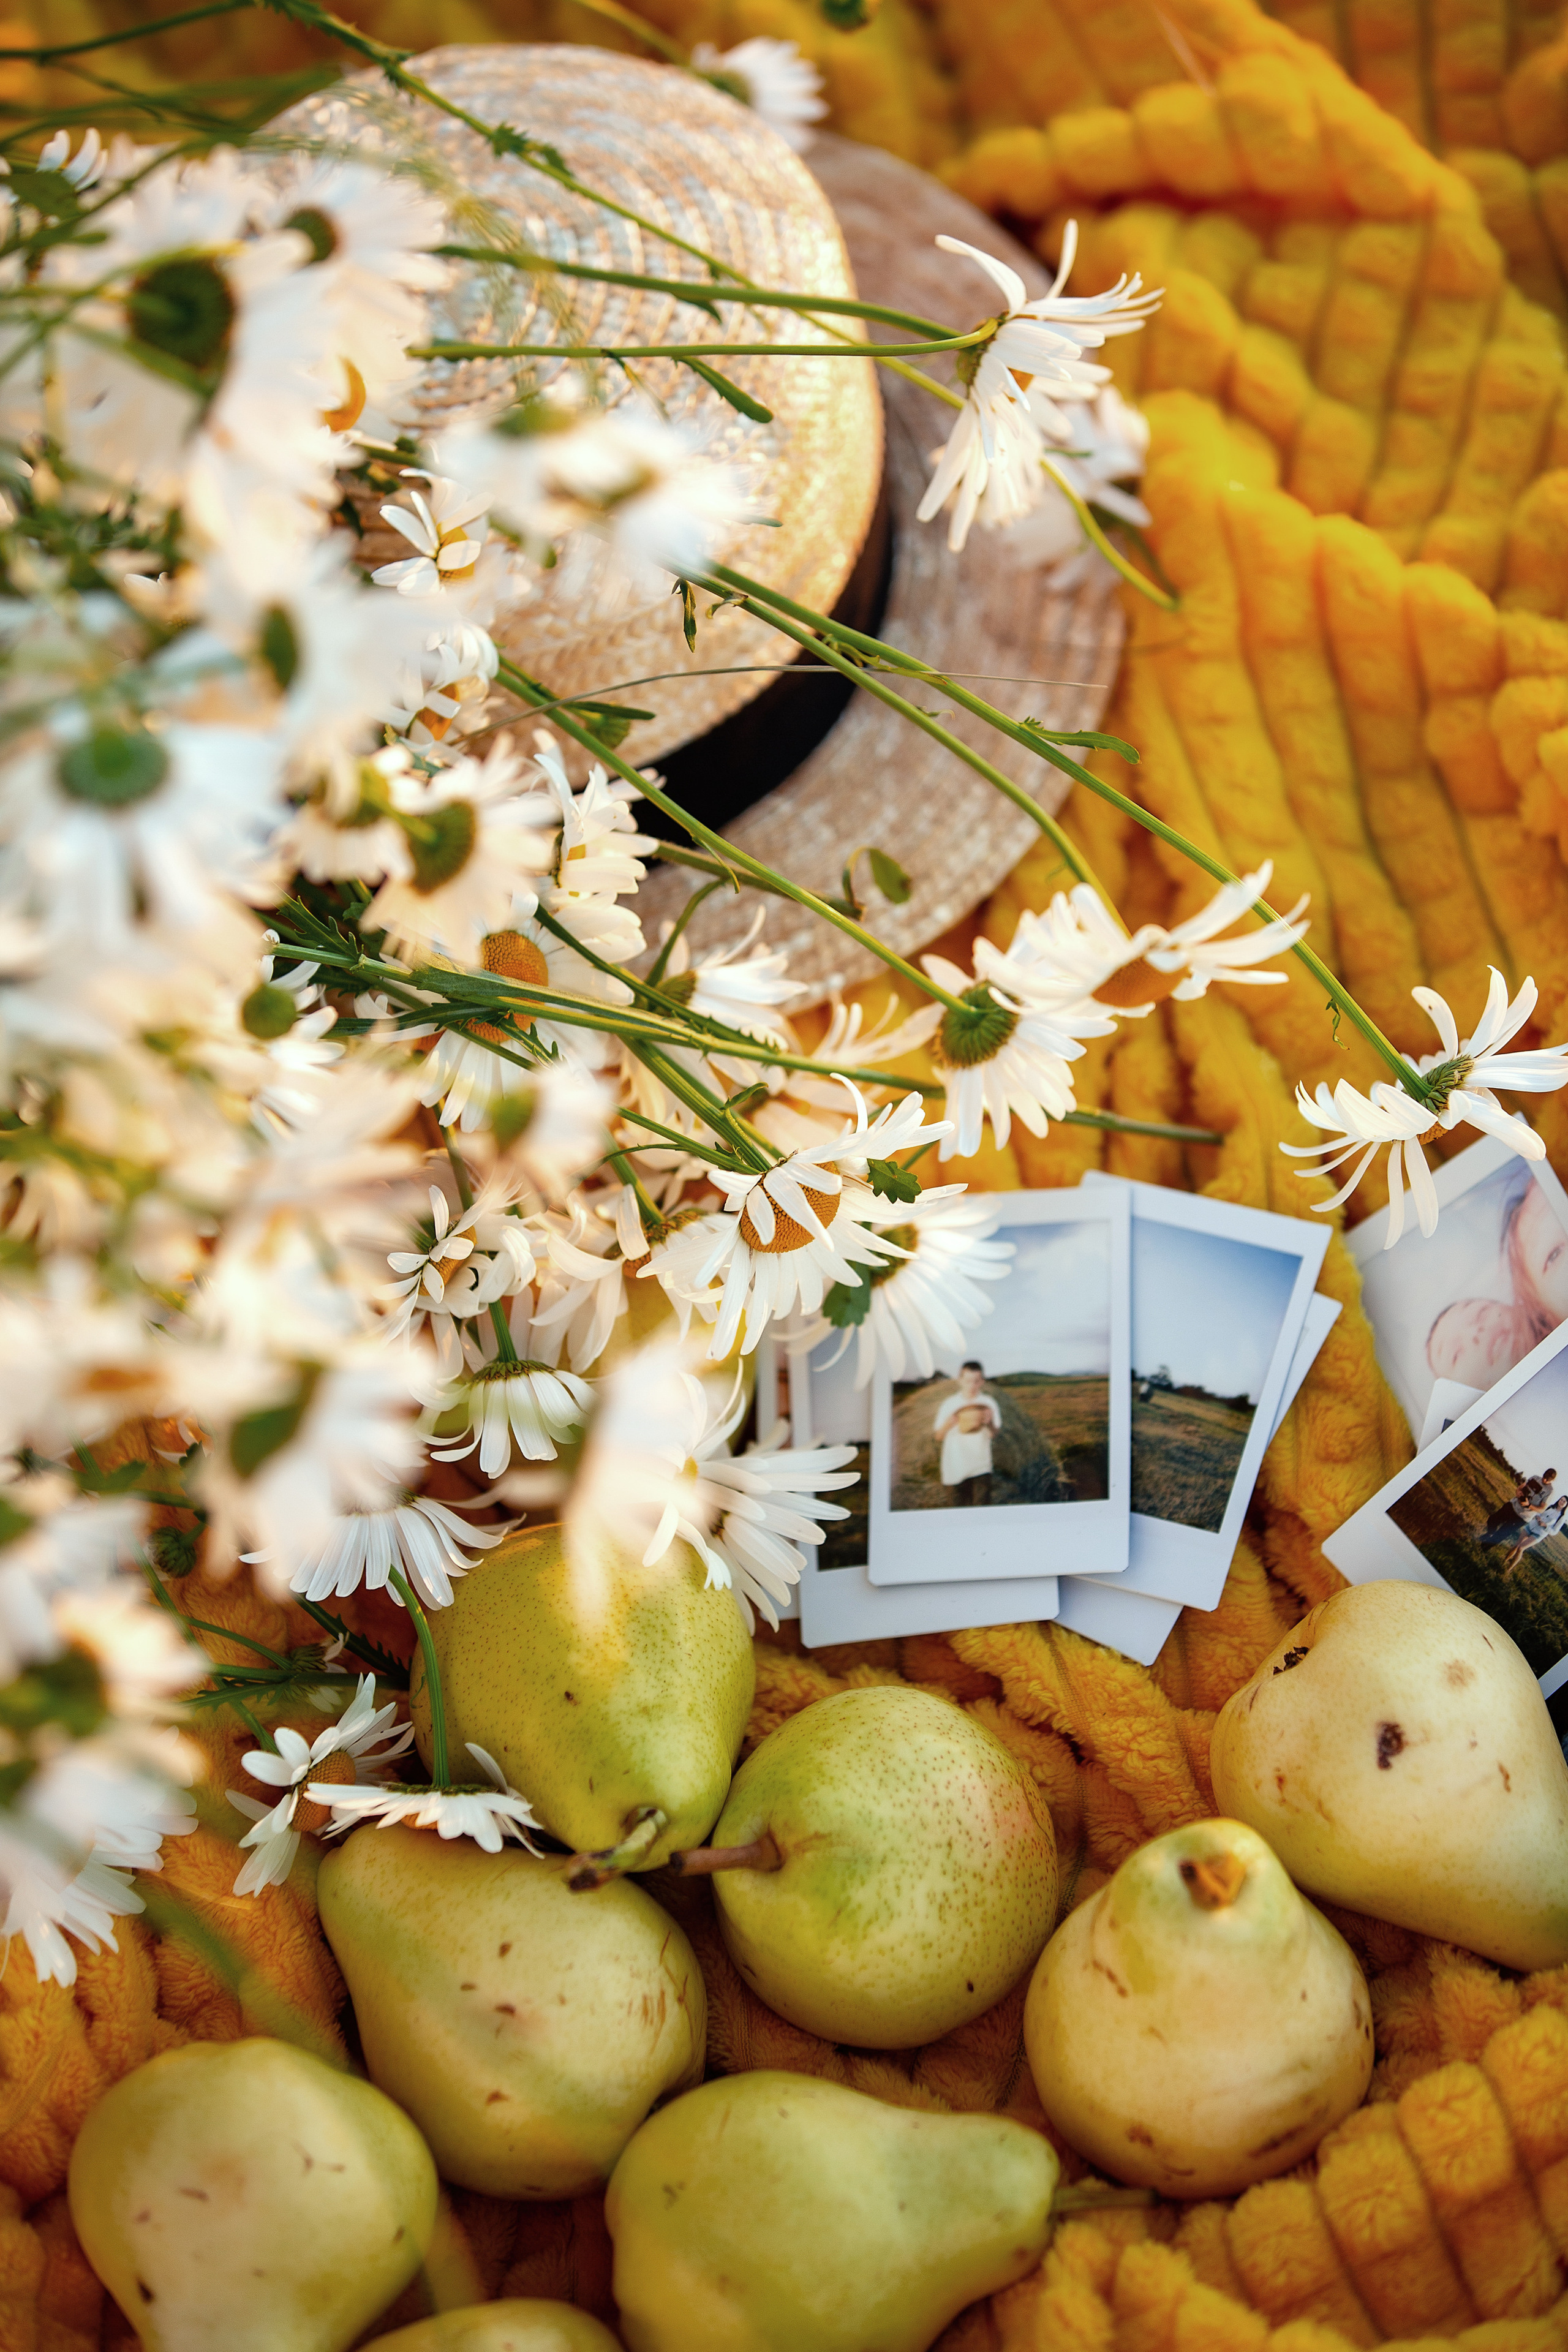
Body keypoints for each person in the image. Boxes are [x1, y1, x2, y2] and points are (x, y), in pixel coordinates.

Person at [935, 1361, 1001, 1508]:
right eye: (968, 1381)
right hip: (954, 1468)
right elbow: (938, 1437)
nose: (972, 1386)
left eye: (977, 1381)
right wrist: (948, 1424)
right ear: (960, 1381)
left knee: (981, 1513)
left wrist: (989, 1423)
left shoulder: (989, 1403)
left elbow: (994, 1434)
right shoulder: (949, 1404)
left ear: (982, 1382)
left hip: (981, 1468)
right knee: (956, 1514)